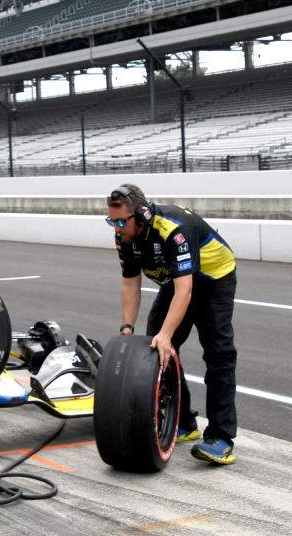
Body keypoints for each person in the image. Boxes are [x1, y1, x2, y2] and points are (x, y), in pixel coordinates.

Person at [107, 183, 238, 465]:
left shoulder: (173, 230)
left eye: (119, 221)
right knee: (157, 347)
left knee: (218, 354)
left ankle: (221, 437)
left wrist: (167, 333)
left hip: (213, 280)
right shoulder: (124, 238)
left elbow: (185, 292)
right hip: (177, 281)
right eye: (110, 220)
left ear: (141, 215)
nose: (115, 227)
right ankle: (186, 422)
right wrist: (127, 327)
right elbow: (130, 282)